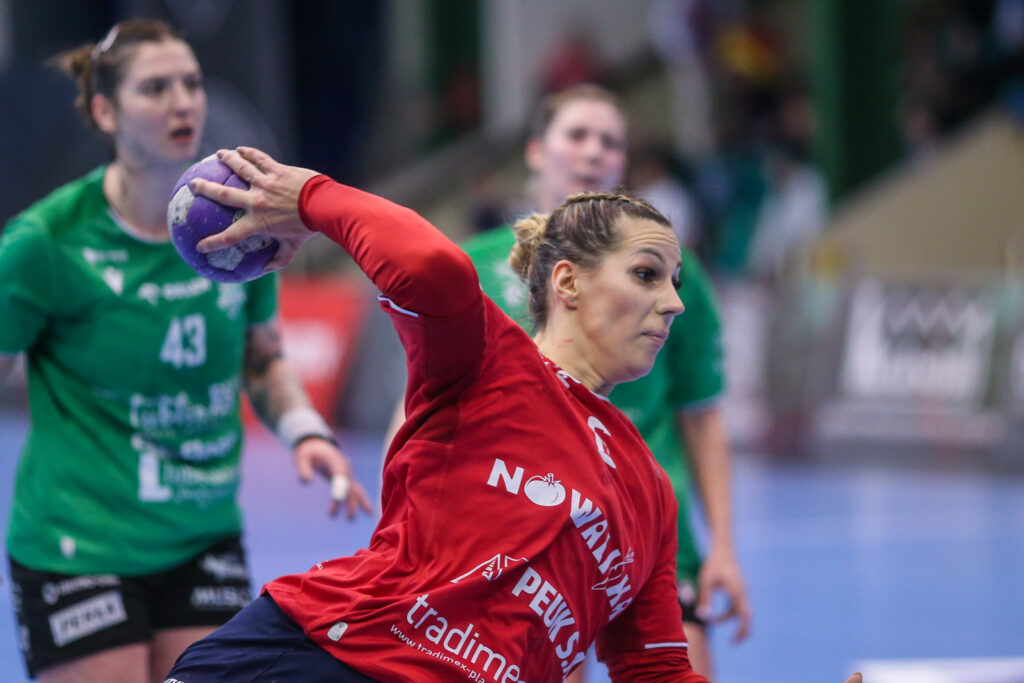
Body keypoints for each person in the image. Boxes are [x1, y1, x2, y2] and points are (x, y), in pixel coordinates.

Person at [166, 145, 705, 682]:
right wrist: (311, 198)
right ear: (567, 282)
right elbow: (430, 266)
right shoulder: (491, 359)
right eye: (646, 274)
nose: (674, 303)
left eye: (674, 282)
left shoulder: (651, 493)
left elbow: (655, 667)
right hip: (329, 655)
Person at [0, 19, 370, 683]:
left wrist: (305, 431)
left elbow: (261, 358)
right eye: (156, 88)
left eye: (192, 83)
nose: (183, 102)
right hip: (78, 542)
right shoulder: (46, 242)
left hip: (202, 535)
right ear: (105, 112)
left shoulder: (242, 224)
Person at [457, 84, 751, 680]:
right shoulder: (475, 266)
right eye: (577, 135)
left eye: (611, 142)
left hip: (645, 530)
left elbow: (701, 413)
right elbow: (428, 406)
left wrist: (722, 545)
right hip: (524, 533)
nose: (594, 152)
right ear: (536, 150)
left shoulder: (671, 272)